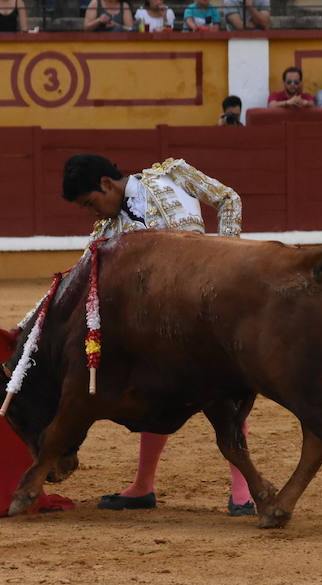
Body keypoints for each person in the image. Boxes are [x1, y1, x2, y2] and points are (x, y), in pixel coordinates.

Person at [61, 154, 255, 517]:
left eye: (90, 203)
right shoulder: (106, 233)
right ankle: (143, 485)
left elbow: (228, 198)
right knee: (156, 399)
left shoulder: (173, 175)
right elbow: (84, 283)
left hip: (205, 308)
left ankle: (243, 491)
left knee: (228, 396)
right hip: (157, 329)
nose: (92, 213)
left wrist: (226, 262)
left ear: (106, 184)